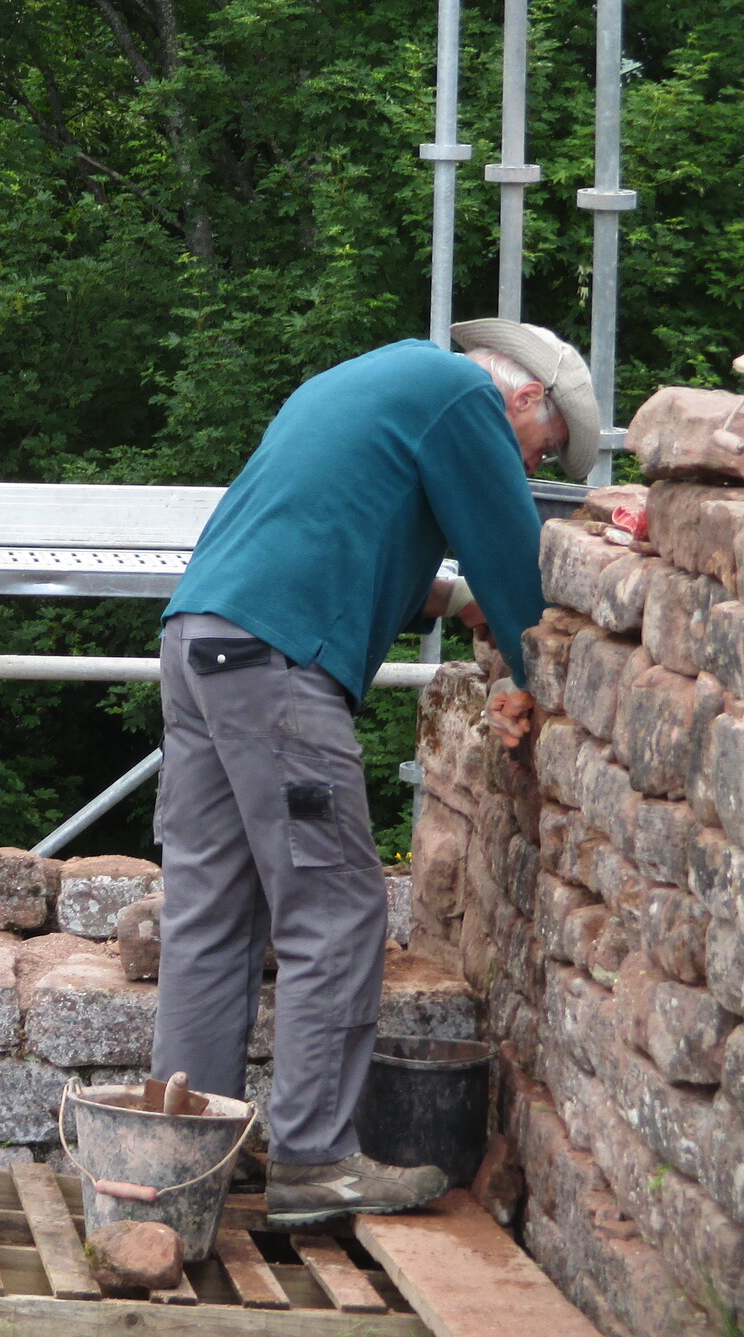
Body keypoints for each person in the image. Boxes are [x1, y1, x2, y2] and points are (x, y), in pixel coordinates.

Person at [152, 319, 594, 1225]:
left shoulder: (378, 380)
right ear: (524, 397)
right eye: (542, 451)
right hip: (275, 664)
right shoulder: (465, 399)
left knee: (210, 912)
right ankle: (315, 1160)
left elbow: (342, 537)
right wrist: (540, 684)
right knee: (337, 907)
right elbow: (514, 563)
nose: (530, 468)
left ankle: (182, 1154)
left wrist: (452, 602)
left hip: (202, 641)